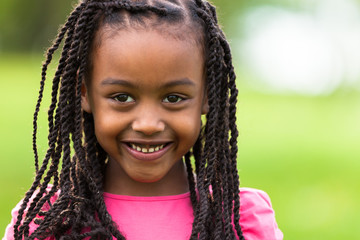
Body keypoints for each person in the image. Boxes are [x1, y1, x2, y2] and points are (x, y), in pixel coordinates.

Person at [3, 0, 283, 239]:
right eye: (122, 98)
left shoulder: (237, 219)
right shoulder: (50, 218)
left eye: (173, 98)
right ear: (84, 93)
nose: (148, 124)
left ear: (207, 95)